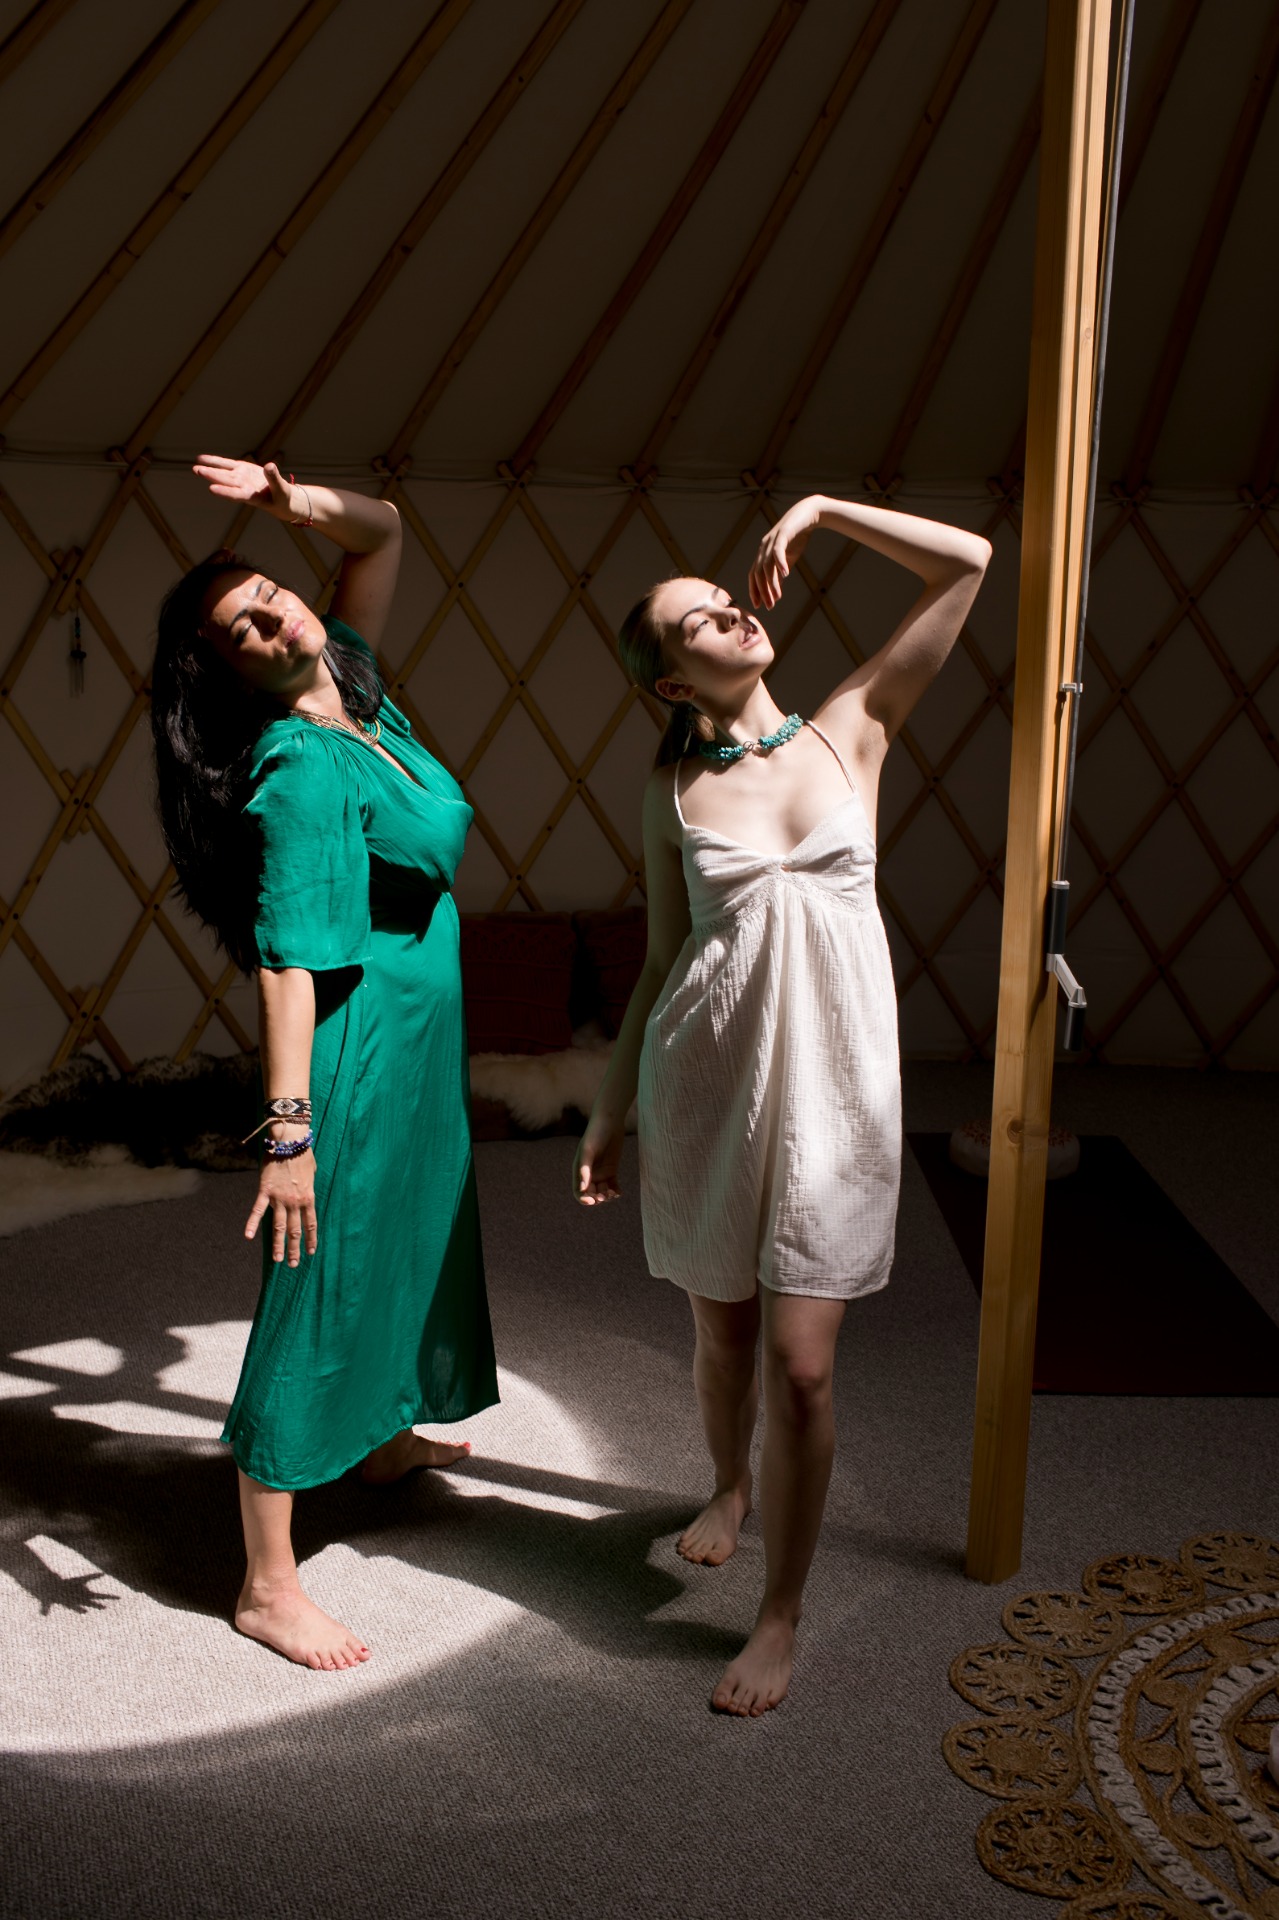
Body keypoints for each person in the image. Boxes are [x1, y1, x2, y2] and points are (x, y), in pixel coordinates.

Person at [574, 494, 990, 1716]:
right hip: (708, 1084)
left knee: (802, 1369)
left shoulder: (852, 726)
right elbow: (663, 962)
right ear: (670, 682)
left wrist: (818, 511)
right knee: (725, 1335)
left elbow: (967, 563)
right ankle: (728, 1481)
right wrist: (607, 1110)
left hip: (836, 1093)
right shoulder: (670, 793)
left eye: (724, 597)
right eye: (696, 620)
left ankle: (779, 1613)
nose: (728, 613)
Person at [151, 456, 497, 1670]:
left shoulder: (351, 683)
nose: (271, 620)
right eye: (241, 629)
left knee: (412, 1235)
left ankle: (383, 1435)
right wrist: (287, 1137)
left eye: (271, 595)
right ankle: (264, 1581)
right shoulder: (296, 766)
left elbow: (385, 530)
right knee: (318, 1280)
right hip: (352, 1055)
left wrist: (284, 501)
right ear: (225, 673)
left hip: (418, 1044)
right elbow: (288, 965)